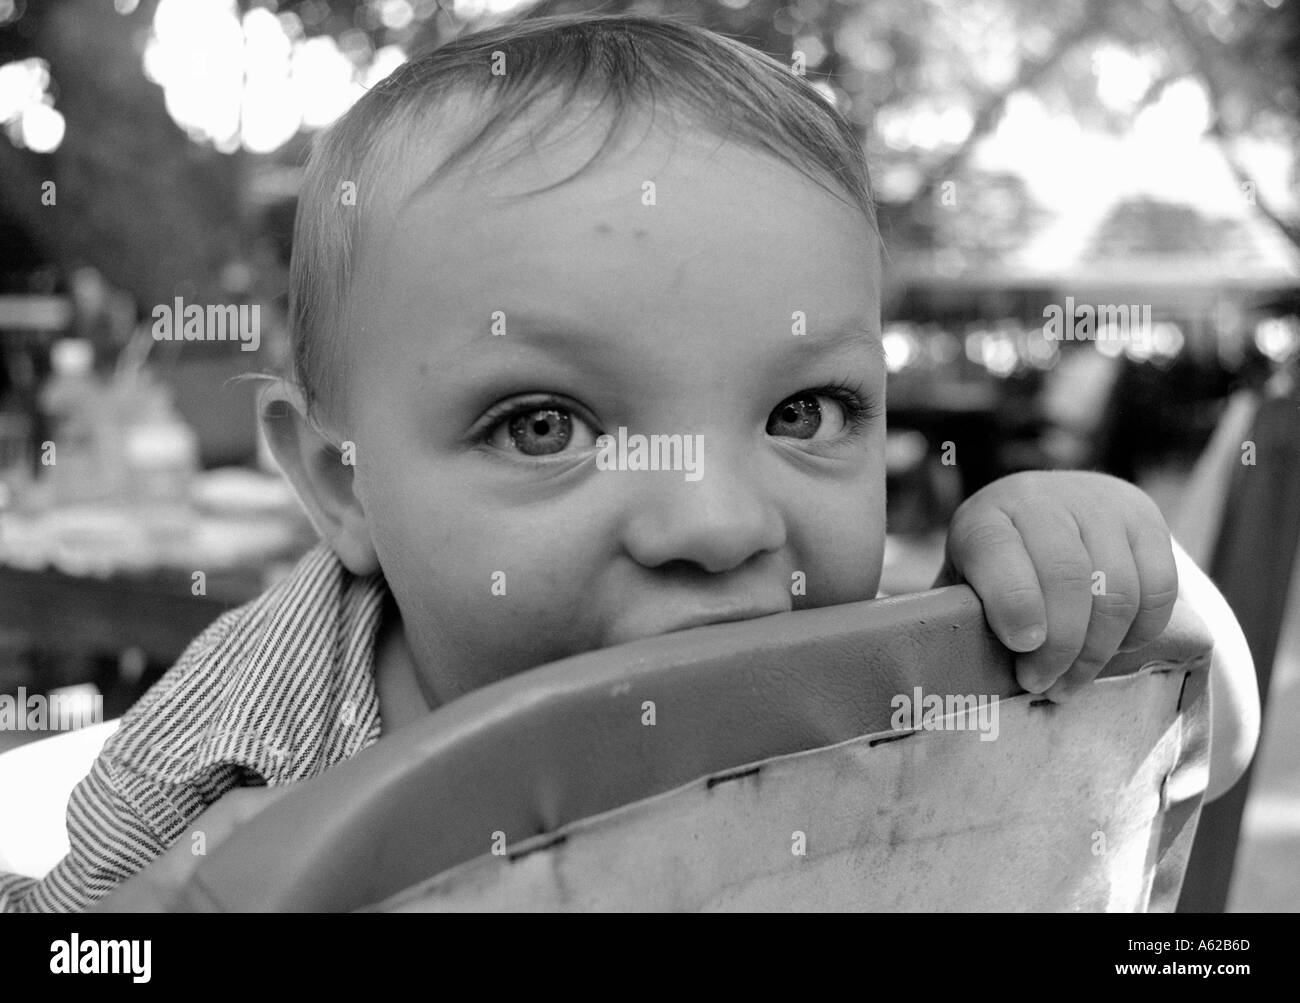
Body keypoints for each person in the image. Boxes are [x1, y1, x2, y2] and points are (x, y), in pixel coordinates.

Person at [0, 12, 1258, 912]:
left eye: (807, 411)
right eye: (543, 424)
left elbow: (1183, 729)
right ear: (340, 483)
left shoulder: (891, 663)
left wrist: (1092, 581)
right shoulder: (243, 734)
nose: (716, 523)